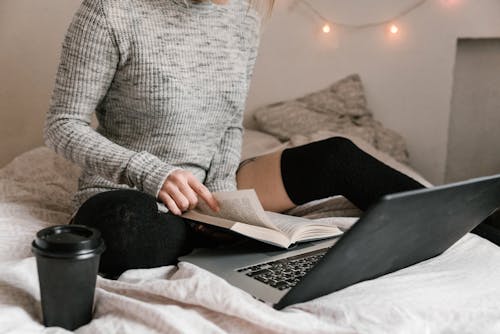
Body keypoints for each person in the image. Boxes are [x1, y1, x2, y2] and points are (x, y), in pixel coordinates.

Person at [45, 0, 425, 278]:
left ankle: (472, 224)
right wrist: (149, 172)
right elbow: (62, 124)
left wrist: (224, 199)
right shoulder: (111, 11)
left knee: (337, 156)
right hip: (130, 192)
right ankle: (213, 239)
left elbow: (229, 123)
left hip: (210, 189)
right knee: (124, 233)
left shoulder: (242, 17)